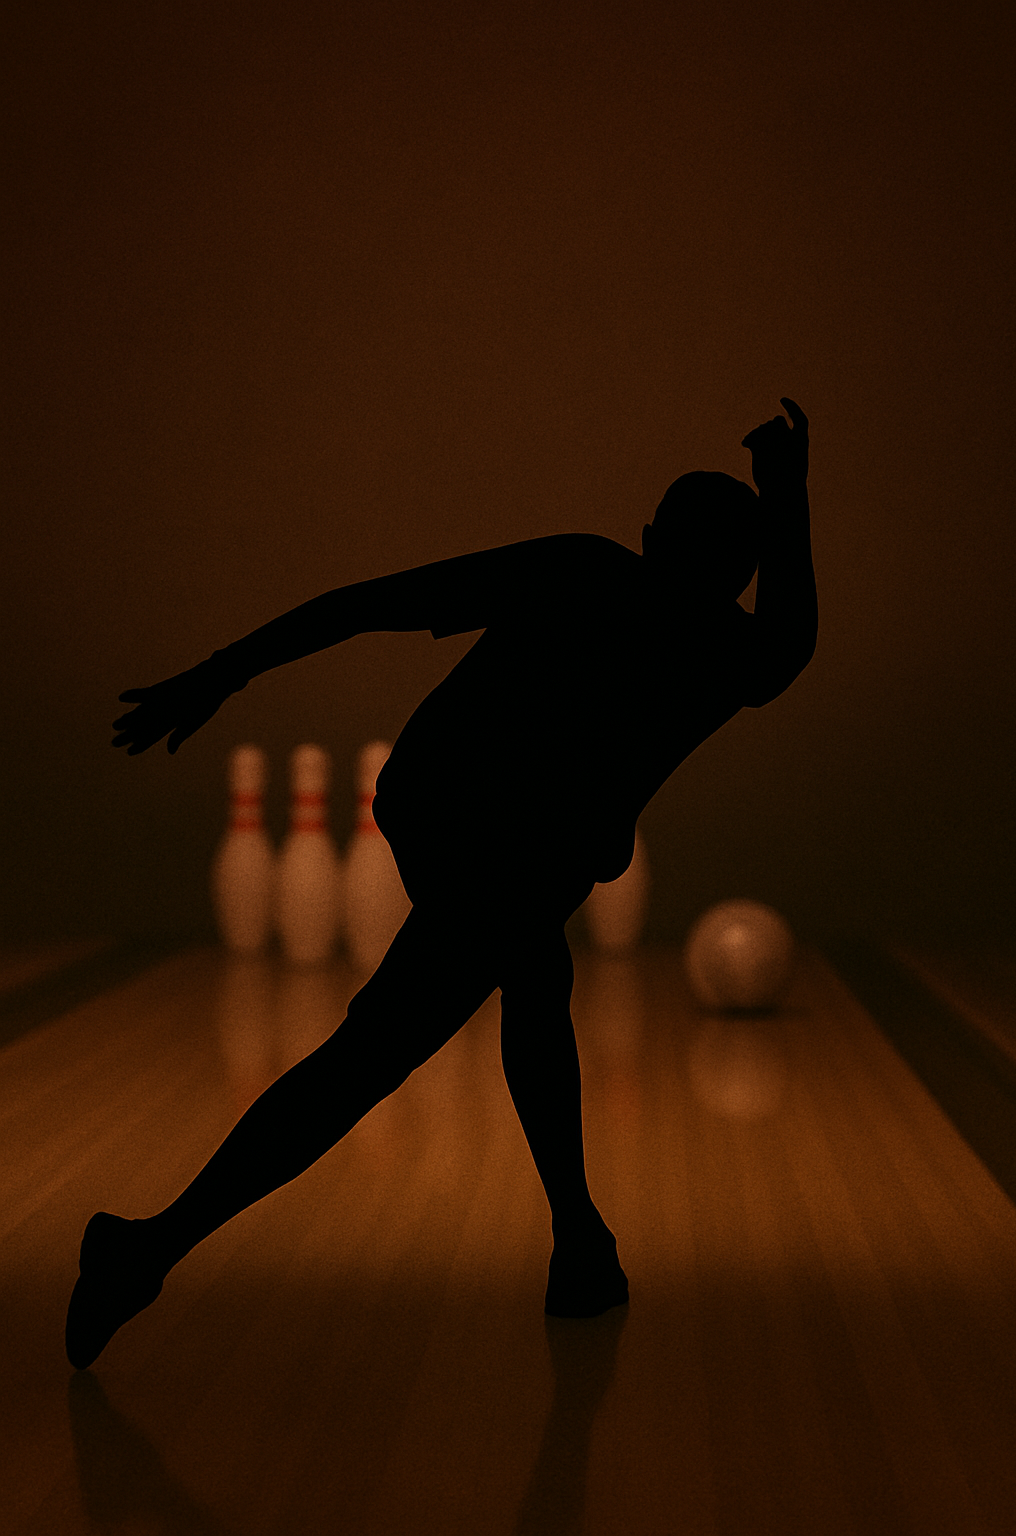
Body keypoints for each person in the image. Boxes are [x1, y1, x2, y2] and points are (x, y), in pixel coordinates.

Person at [66, 398, 816, 1370]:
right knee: (393, 1044)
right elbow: (793, 628)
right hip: (477, 835)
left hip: (454, 816)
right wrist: (788, 495)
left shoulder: (586, 569)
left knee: (524, 987)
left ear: (647, 540)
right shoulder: (733, 651)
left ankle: (579, 1246)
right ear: (741, 577)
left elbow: (367, 603)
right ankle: (148, 1247)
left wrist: (223, 672)